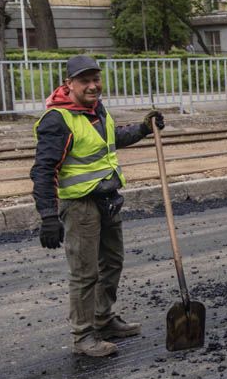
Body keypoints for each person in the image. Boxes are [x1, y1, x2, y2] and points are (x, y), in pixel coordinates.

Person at [30, 55, 164, 357]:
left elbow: (110, 140)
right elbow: (43, 170)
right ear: (69, 83)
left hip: (107, 200)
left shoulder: (96, 110)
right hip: (80, 206)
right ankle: (83, 335)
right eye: (84, 81)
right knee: (85, 272)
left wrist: (143, 129)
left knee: (112, 261)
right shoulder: (58, 120)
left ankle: (103, 319)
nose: (92, 86)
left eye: (95, 79)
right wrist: (49, 216)